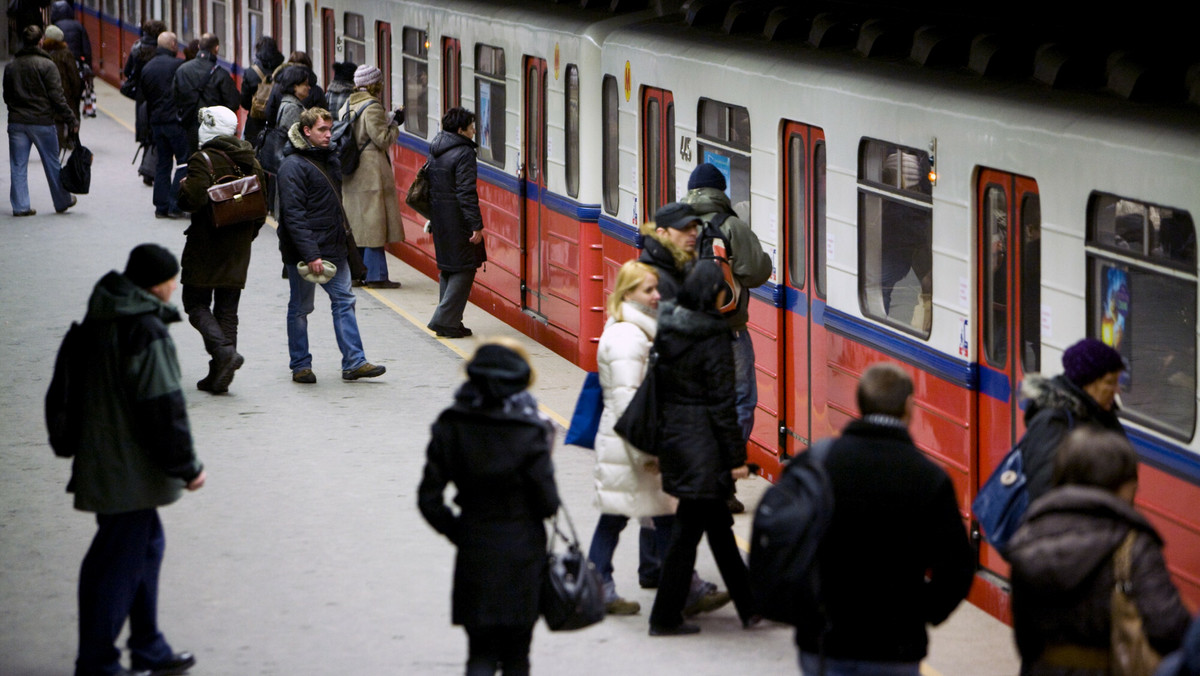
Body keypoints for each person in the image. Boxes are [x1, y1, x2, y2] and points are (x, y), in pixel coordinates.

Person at [48, 243, 205, 676]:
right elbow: (163, 406)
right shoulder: (145, 330)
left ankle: (148, 645)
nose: (175, 285)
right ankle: (98, 661)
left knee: (144, 546)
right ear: (160, 284)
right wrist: (188, 468)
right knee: (116, 562)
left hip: (106, 456)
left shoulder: (107, 312)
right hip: (124, 465)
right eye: (172, 278)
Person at [794, 362, 974, 675]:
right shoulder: (928, 478)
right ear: (908, 407)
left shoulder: (818, 462)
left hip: (823, 640)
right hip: (894, 646)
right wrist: (923, 611)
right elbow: (957, 566)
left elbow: (787, 537)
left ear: (861, 404)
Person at [588, 260, 729, 617]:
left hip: (631, 442)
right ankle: (680, 588)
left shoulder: (638, 329)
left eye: (656, 288)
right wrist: (648, 452)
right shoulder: (627, 337)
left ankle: (681, 587)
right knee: (627, 516)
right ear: (627, 292)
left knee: (649, 515)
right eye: (648, 289)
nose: (657, 295)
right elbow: (627, 402)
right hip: (631, 445)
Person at [418, 339, 560, 676]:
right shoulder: (530, 429)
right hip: (523, 548)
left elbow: (428, 499)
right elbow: (548, 502)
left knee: (479, 652)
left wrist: (460, 531)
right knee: (516, 654)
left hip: (475, 545)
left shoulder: (451, 424)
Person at [1008, 427, 1189, 675]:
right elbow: (1169, 627)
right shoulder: (1132, 543)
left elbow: (1024, 638)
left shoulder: (1028, 535)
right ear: (1120, 484)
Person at [647, 262, 756, 636]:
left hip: (678, 441)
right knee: (686, 537)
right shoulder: (714, 334)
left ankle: (749, 606)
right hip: (705, 447)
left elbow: (656, 391)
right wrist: (736, 459)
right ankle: (663, 618)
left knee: (717, 530)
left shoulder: (669, 326)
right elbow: (723, 405)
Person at [683, 163, 773, 512]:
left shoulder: (677, 225)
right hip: (729, 331)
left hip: (688, 334)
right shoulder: (732, 225)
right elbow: (757, 272)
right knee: (739, 403)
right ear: (721, 192)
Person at [277, 106, 386, 384]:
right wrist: (311, 253)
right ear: (306, 132)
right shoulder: (292, 166)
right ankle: (300, 365)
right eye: (322, 130)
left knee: (344, 300)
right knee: (301, 308)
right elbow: (293, 216)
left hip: (334, 247)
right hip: (304, 252)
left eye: (329, 128)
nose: (329, 135)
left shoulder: (329, 158)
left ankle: (354, 361)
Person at [176, 106, 267, 394]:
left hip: (206, 243)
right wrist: (246, 237)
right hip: (239, 246)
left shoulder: (202, 159)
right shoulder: (251, 160)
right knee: (228, 310)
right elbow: (261, 207)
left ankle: (223, 353)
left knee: (195, 302)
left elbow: (192, 200)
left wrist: (183, 187)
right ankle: (219, 376)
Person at [1019, 337, 1128, 504]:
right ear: (1088, 382)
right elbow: (1046, 494)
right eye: (1110, 382)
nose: (1117, 390)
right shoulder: (1053, 423)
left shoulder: (1100, 413)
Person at [4, 24, 78, 217]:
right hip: (42, 121)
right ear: (40, 42)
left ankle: (21, 206)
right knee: (52, 162)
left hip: (17, 122)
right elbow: (57, 96)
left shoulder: (11, 66)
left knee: (18, 164)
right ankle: (62, 200)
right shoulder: (47, 65)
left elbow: (6, 95)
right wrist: (71, 118)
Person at [343, 64, 405, 289]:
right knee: (374, 225)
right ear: (374, 84)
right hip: (371, 173)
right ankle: (377, 275)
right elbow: (382, 139)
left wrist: (386, 118)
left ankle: (356, 273)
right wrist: (396, 124)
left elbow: (361, 129)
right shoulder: (372, 106)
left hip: (352, 172)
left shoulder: (348, 103)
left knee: (357, 227)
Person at [427, 106, 486, 338]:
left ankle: (452, 322)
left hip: (440, 217)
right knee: (464, 269)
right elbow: (466, 192)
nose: (474, 131)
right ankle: (443, 320)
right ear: (461, 130)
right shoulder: (464, 153)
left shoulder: (437, 147)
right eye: (471, 127)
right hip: (459, 220)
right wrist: (475, 225)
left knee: (449, 269)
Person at [140, 31, 187, 219]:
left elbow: (145, 97)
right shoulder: (179, 66)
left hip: (157, 123)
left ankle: (160, 206)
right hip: (175, 122)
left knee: (163, 164)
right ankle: (175, 203)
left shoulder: (147, 68)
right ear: (174, 45)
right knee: (184, 162)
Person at [171, 32, 239, 154]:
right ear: (216, 48)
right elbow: (233, 103)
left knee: (193, 162)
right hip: (215, 131)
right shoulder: (221, 74)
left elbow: (174, 98)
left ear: (199, 47)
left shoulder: (182, 70)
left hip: (189, 127)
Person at [124, 19, 166, 186]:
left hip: (142, 95)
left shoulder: (136, 48)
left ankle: (147, 166)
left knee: (144, 127)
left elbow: (127, 71)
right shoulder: (161, 49)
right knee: (156, 130)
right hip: (158, 93)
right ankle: (150, 168)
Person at [638, 202, 701, 301]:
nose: (693, 233)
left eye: (694, 226)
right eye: (685, 228)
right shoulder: (655, 279)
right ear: (662, 233)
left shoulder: (681, 265)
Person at [41, 25, 82, 148]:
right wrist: (77, 93)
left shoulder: (42, 54)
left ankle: (55, 143)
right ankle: (70, 139)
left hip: (46, 94)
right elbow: (74, 76)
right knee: (70, 115)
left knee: (54, 119)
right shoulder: (66, 54)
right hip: (66, 93)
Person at [239, 35, 284, 145]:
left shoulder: (251, 72)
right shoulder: (283, 72)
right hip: (276, 124)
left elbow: (244, 102)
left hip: (254, 124)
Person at [50, 0, 91, 65]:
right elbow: (86, 50)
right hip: (76, 61)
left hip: (59, 62)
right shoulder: (79, 26)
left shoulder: (53, 28)